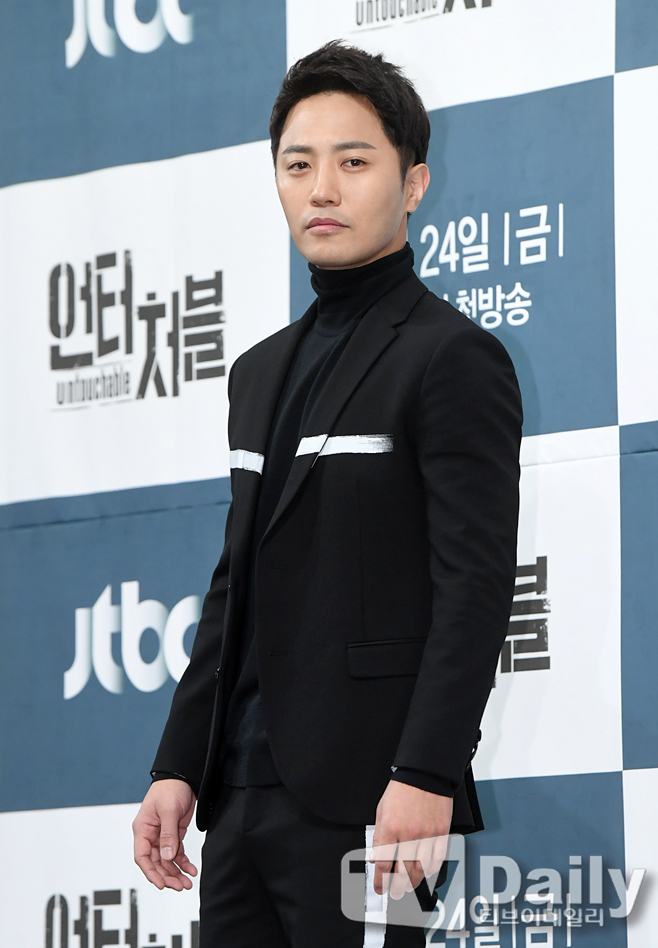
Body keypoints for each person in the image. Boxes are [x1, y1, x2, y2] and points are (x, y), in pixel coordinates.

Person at [132, 41, 523, 948]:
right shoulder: (257, 371)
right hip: (239, 800)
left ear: (413, 184)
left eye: (353, 163)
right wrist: (178, 764)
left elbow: (474, 585)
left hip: (375, 797)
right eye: (298, 164)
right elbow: (235, 586)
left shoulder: (451, 357)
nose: (322, 190)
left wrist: (426, 772)